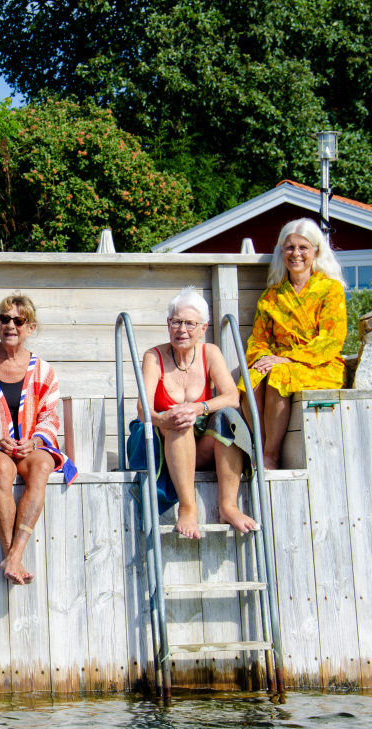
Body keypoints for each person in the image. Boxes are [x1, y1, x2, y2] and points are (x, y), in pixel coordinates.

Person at [0, 293, 77, 585]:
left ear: (31, 327)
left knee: (40, 467)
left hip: (30, 446)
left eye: (18, 320)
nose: (10, 325)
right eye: (5, 319)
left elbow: (50, 417)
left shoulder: (43, 370)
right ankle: (8, 552)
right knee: (2, 468)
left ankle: (15, 555)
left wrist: (36, 442)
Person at [131, 286, 258, 539]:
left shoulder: (210, 353)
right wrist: (165, 418)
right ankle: (188, 508)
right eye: (176, 322)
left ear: (203, 327)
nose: (181, 330)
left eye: (190, 323)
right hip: (158, 440)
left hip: (197, 444)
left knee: (229, 419)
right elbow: (143, 412)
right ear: (168, 324)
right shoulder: (153, 357)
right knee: (179, 418)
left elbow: (232, 397)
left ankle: (228, 506)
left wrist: (198, 407)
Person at [243, 218, 347, 470]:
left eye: (303, 247)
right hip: (280, 362)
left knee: (279, 374)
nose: (296, 254)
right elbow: (257, 340)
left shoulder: (330, 289)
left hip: (320, 364)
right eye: (290, 247)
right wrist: (264, 359)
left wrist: (287, 359)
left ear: (316, 251)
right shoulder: (272, 295)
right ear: (281, 250)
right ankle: (259, 445)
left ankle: (271, 455)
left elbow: (331, 340)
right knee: (251, 378)